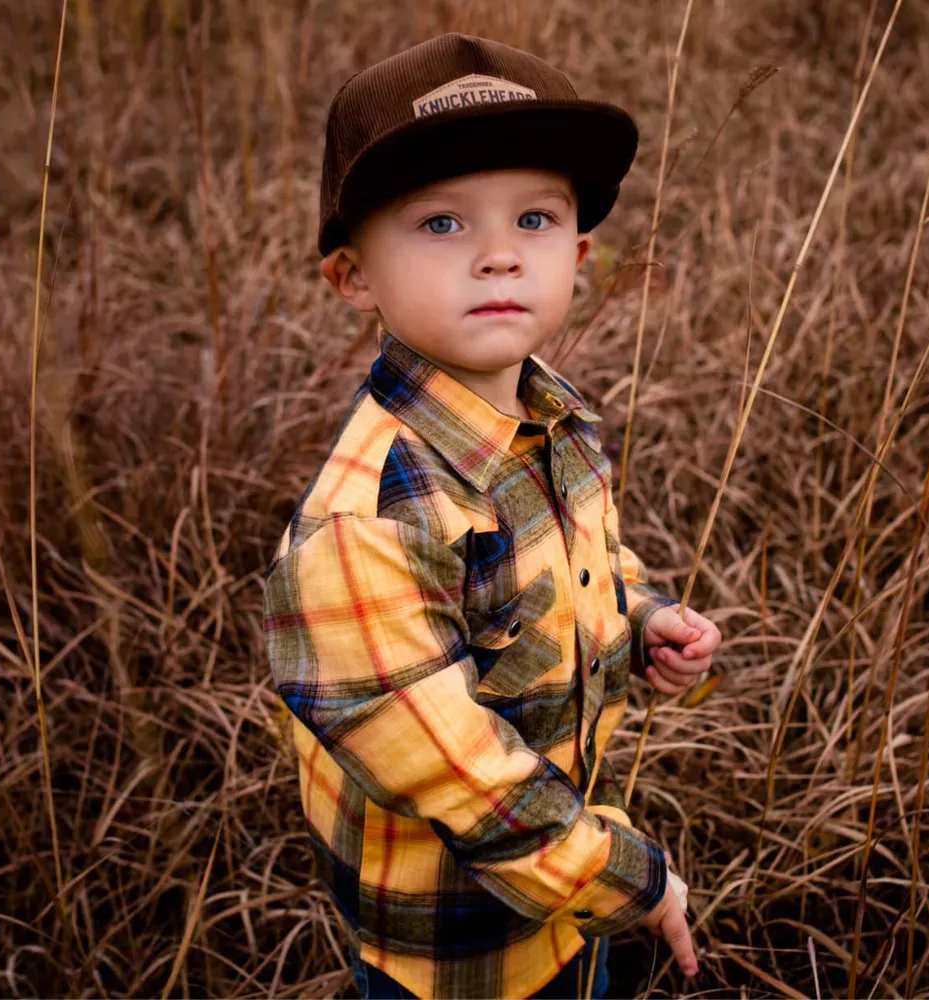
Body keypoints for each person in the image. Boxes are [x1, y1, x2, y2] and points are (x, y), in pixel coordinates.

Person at [263, 32, 722, 1000]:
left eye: (535, 218)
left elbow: (578, 555)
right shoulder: (367, 525)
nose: (501, 254)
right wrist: (626, 881)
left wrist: (642, 618)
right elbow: (461, 777)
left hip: (566, 880)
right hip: (459, 942)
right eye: (440, 224)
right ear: (351, 276)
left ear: (581, 253)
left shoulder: (544, 412)